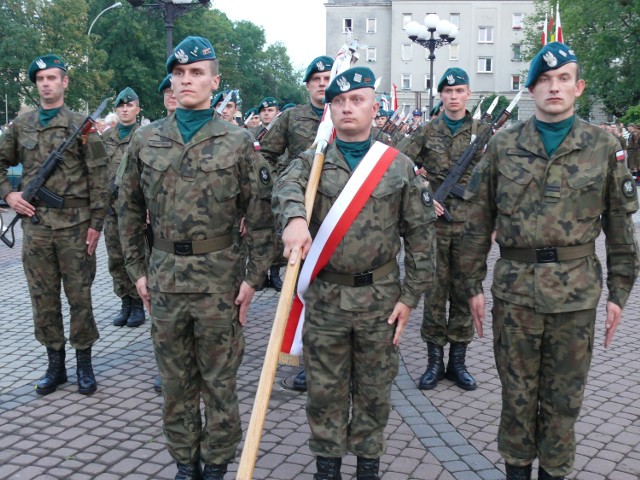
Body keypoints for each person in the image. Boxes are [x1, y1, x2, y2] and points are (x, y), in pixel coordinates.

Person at [461, 42, 640, 480]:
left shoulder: (603, 146)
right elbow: (476, 222)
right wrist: (470, 285)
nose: (554, 87)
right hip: (515, 295)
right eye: (544, 79)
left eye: (563, 79)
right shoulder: (503, 147)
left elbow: (620, 228)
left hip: (575, 298)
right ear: (532, 88)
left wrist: (620, 292)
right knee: (516, 398)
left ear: (578, 88)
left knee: (564, 402)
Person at [117, 36, 274, 480]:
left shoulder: (239, 142)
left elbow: (261, 220)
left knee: (220, 383)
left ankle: (218, 465)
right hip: (164, 279)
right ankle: (186, 464)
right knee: (175, 383)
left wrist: (252, 279)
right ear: (171, 80)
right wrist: (136, 271)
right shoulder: (146, 139)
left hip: (220, 283)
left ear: (214, 81)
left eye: (197, 73)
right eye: (180, 74)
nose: (187, 80)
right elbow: (126, 209)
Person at [272, 66, 436, 480]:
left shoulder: (397, 166)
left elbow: (419, 237)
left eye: (356, 100)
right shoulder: (312, 162)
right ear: (330, 110)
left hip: (379, 299)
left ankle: (368, 468)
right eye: (339, 101)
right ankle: (327, 469)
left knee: (374, 389)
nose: (348, 108)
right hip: (326, 299)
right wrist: (294, 218)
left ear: (373, 107)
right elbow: (284, 189)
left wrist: (409, 298)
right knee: (324, 392)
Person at [0, 54, 108, 395]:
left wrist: (97, 224)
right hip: (36, 228)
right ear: (36, 84)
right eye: (41, 79)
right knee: (43, 298)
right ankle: (55, 365)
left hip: (77, 227)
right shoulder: (22, 125)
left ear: (65, 82)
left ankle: (84, 364)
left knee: (80, 296)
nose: (46, 84)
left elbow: (100, 178)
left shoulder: (82, 126)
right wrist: (9, 195)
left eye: (52, 78)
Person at [399, 67, 489, 392]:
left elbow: (495, 176)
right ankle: (434, 363)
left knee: (465, 293)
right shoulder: (427, 131)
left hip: (469, 228)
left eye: (460, 91)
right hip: (434, 227)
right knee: (434, 294)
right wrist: (423, 194)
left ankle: (458, 363)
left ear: (468, 94)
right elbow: (397, 161)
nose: (453, 96)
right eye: (448, 92)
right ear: (441, 95)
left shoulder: (482, 132)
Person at [103, 87, 145, 328]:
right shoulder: (105, 138)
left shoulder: (145, 136)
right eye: (121, 106)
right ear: (116, 110)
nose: (125, 109)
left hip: (134, 212)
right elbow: (97, 170)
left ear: (137, 109)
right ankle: (125, 302)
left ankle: (138, 302)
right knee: (116, 259)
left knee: (136, 256)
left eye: (130, 106)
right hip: (110, 211)